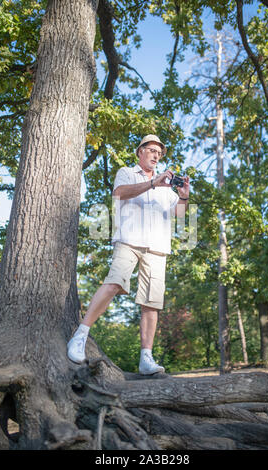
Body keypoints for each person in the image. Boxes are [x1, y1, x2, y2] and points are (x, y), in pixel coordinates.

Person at [67, 134, 190, 374]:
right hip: (129, 241)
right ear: (140, 152)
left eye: (159, 153)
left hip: (158, 247)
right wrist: (154, 183)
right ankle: (80, 335)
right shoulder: (126, 172)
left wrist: (184, 194)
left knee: (151, 303)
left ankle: (146, 358)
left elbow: (180, 215)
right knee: (114, 284)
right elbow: (119, 193)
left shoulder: (167, 186)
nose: (156, 155)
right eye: (152, 150)